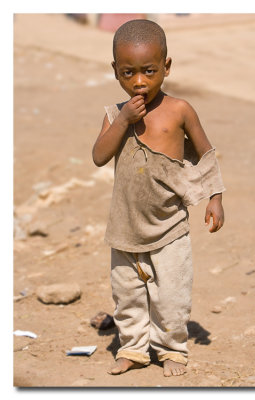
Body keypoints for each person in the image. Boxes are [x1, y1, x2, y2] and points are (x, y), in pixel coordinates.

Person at [92, 19, 225, 377]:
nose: (139, 81)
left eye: (149, 71)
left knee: (171, 297)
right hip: (125, 228)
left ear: (166, 67)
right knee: (128, 297)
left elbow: (205, 152)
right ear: (115, 72)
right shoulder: (114, 114)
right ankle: (133, 349)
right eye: (128, 73)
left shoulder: (180, 110)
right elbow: (99, 156)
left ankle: (171, 349)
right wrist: (122, 121)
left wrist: (215, 196)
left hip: (170, 228)